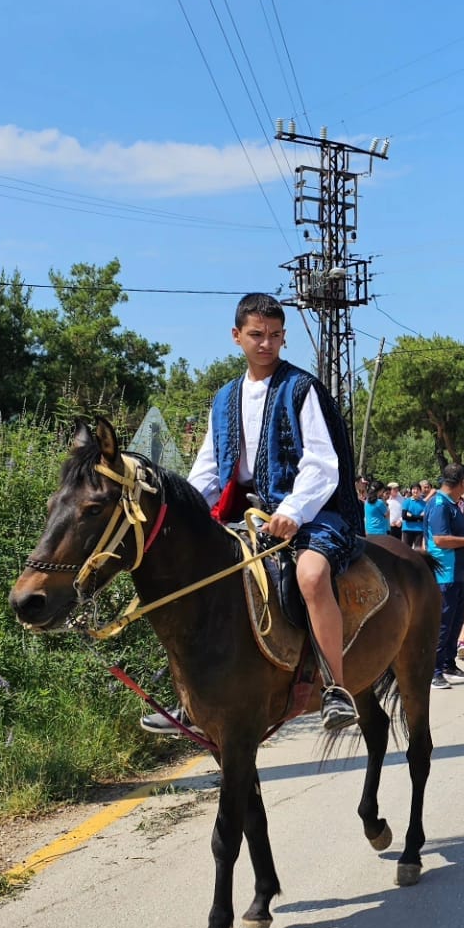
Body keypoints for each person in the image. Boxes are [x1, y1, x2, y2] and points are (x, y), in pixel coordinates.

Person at [142, 291, 362, 733]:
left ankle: (335, 688)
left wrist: (294, 511)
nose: (266, 344)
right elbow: (208, 468)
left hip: (311, 512)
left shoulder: (302, 389)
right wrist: (180, 511)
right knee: (192, 579)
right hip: (244, 516)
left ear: (283, 338)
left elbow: (322, 464)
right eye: (257, 335)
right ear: (236, 336)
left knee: (312, 575)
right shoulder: (224, 398)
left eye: (275, 335)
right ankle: (192, 696)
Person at [425, 464, 464, 689]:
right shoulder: (440, 504)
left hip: (459, 573)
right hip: (445, 573)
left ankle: (449, 664)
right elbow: (440, 539)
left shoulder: (452, 504)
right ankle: (434, 671)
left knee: (456, 620)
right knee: (443, 623)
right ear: (461, 482)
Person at [400, 484, 427, 550]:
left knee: (417, 551)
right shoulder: (407, 501)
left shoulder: (424, 503)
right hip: (407, 529)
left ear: (420, 491)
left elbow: (424, 518)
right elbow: (404, 516)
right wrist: (418, 518)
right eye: (414, 489)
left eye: (417, 489)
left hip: (419, 530)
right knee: (406, 550)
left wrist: (411, 516)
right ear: (411, 490)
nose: (416, 491)